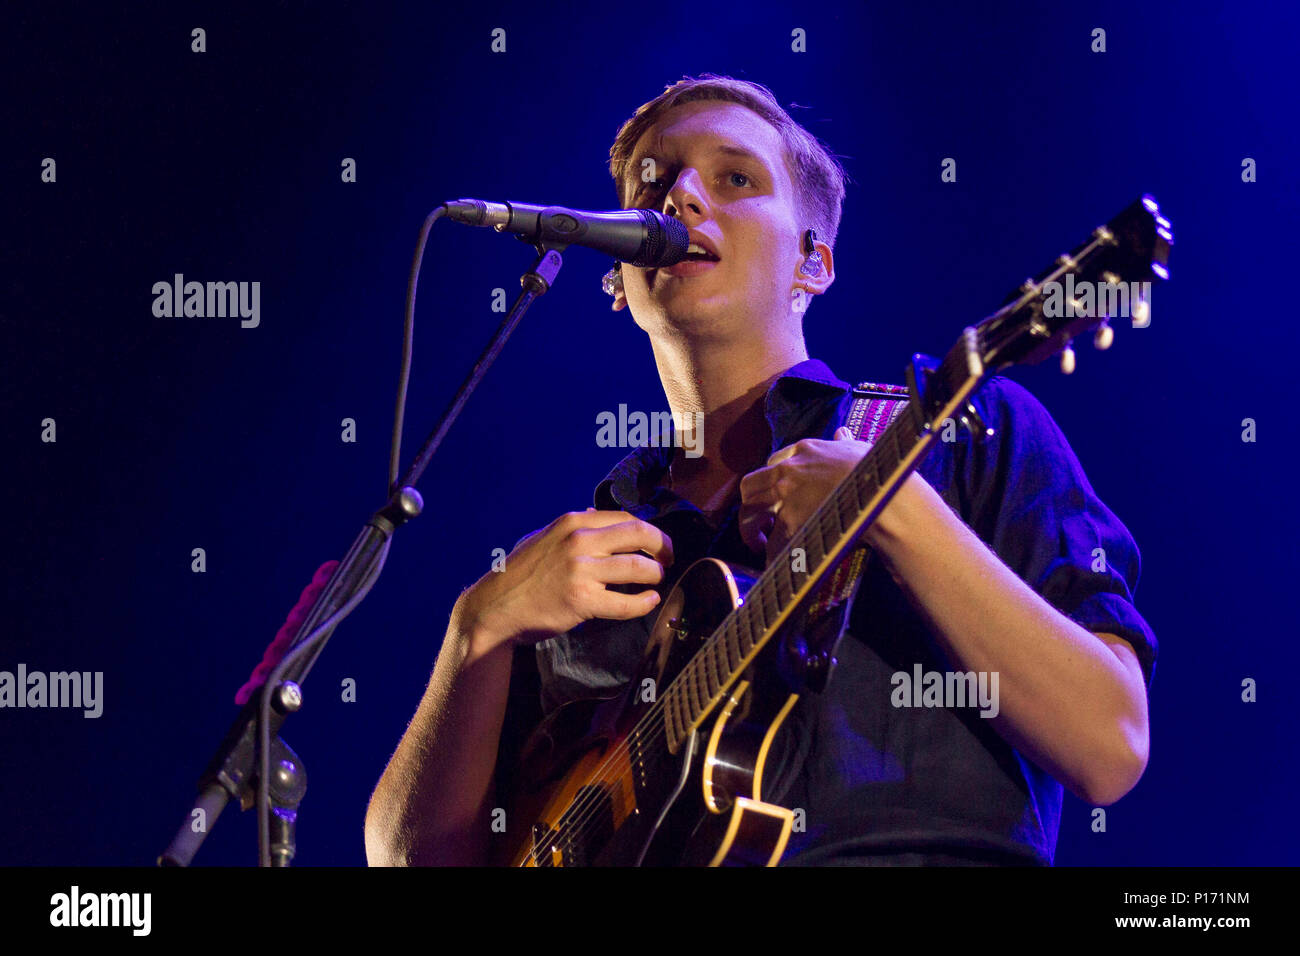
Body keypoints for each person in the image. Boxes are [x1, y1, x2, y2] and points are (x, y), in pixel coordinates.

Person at [363, 74, 1157, 867]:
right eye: (654, 179)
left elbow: (1109, 745)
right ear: (616, 280)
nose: (680, 198)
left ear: (813, 263)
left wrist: (898, 516)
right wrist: (475, 630)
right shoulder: (580, 560)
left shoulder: (958, 433)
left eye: (735, 178)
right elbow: (407, 862)